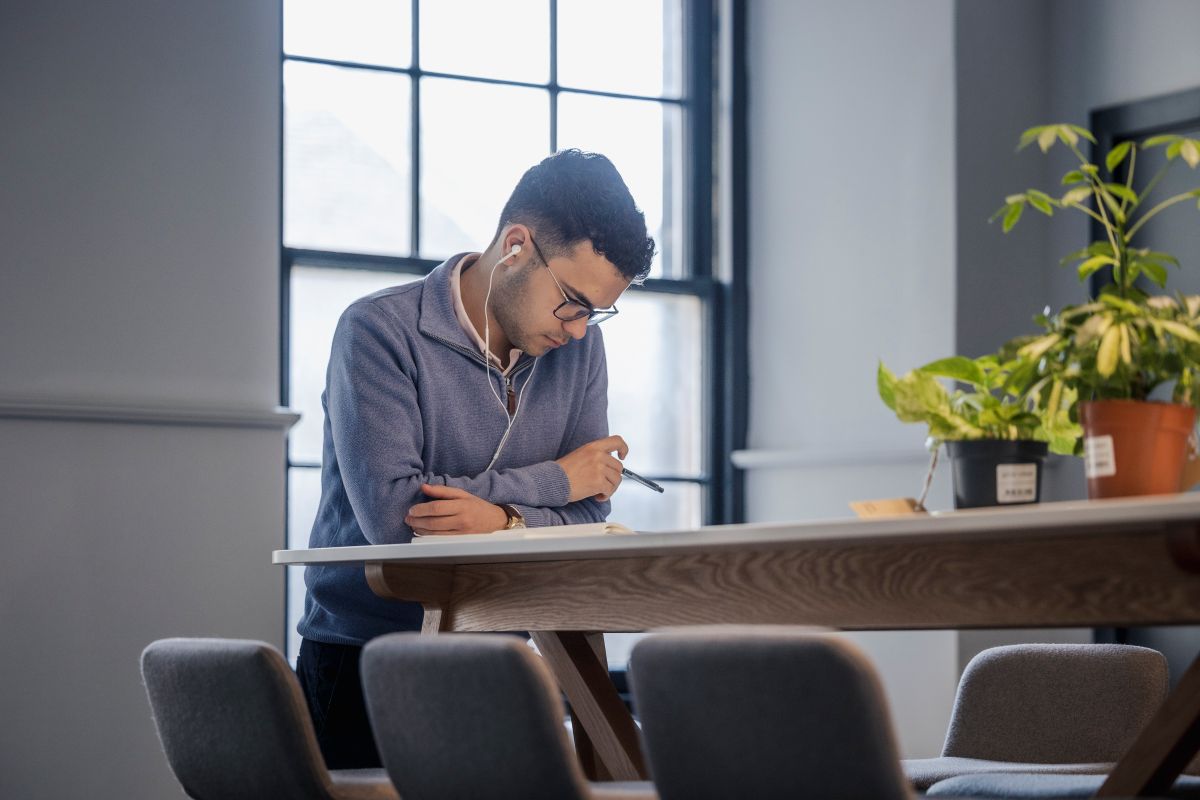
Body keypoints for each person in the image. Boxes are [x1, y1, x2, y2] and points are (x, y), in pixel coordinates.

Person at [294, 149, 656, 768]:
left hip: (504, 654)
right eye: (572, 301)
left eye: (597, 313)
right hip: (364, 655)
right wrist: (554, 482)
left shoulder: (580, 349)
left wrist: (503, 521)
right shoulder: (378, 331)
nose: (577, 330)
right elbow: (399, 519)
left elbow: (590, 514)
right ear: (516, 245)